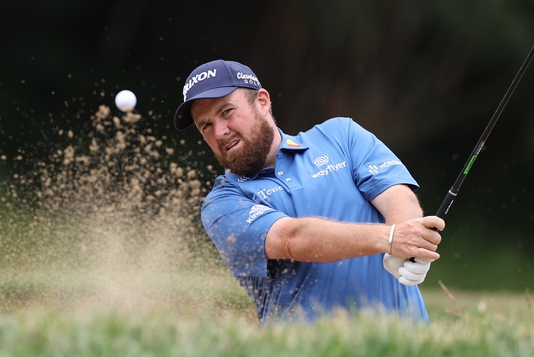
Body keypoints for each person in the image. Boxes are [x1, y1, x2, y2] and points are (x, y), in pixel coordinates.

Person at [174, 59, 444, 324]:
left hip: (406, 345)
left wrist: (406, 244)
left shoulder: (340, 135)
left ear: (262, 102)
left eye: (226, 112)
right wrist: (391, 238)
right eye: (205, 125)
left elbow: (397, 193)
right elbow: (292, 239)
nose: (219, 131)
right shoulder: (222, 203)